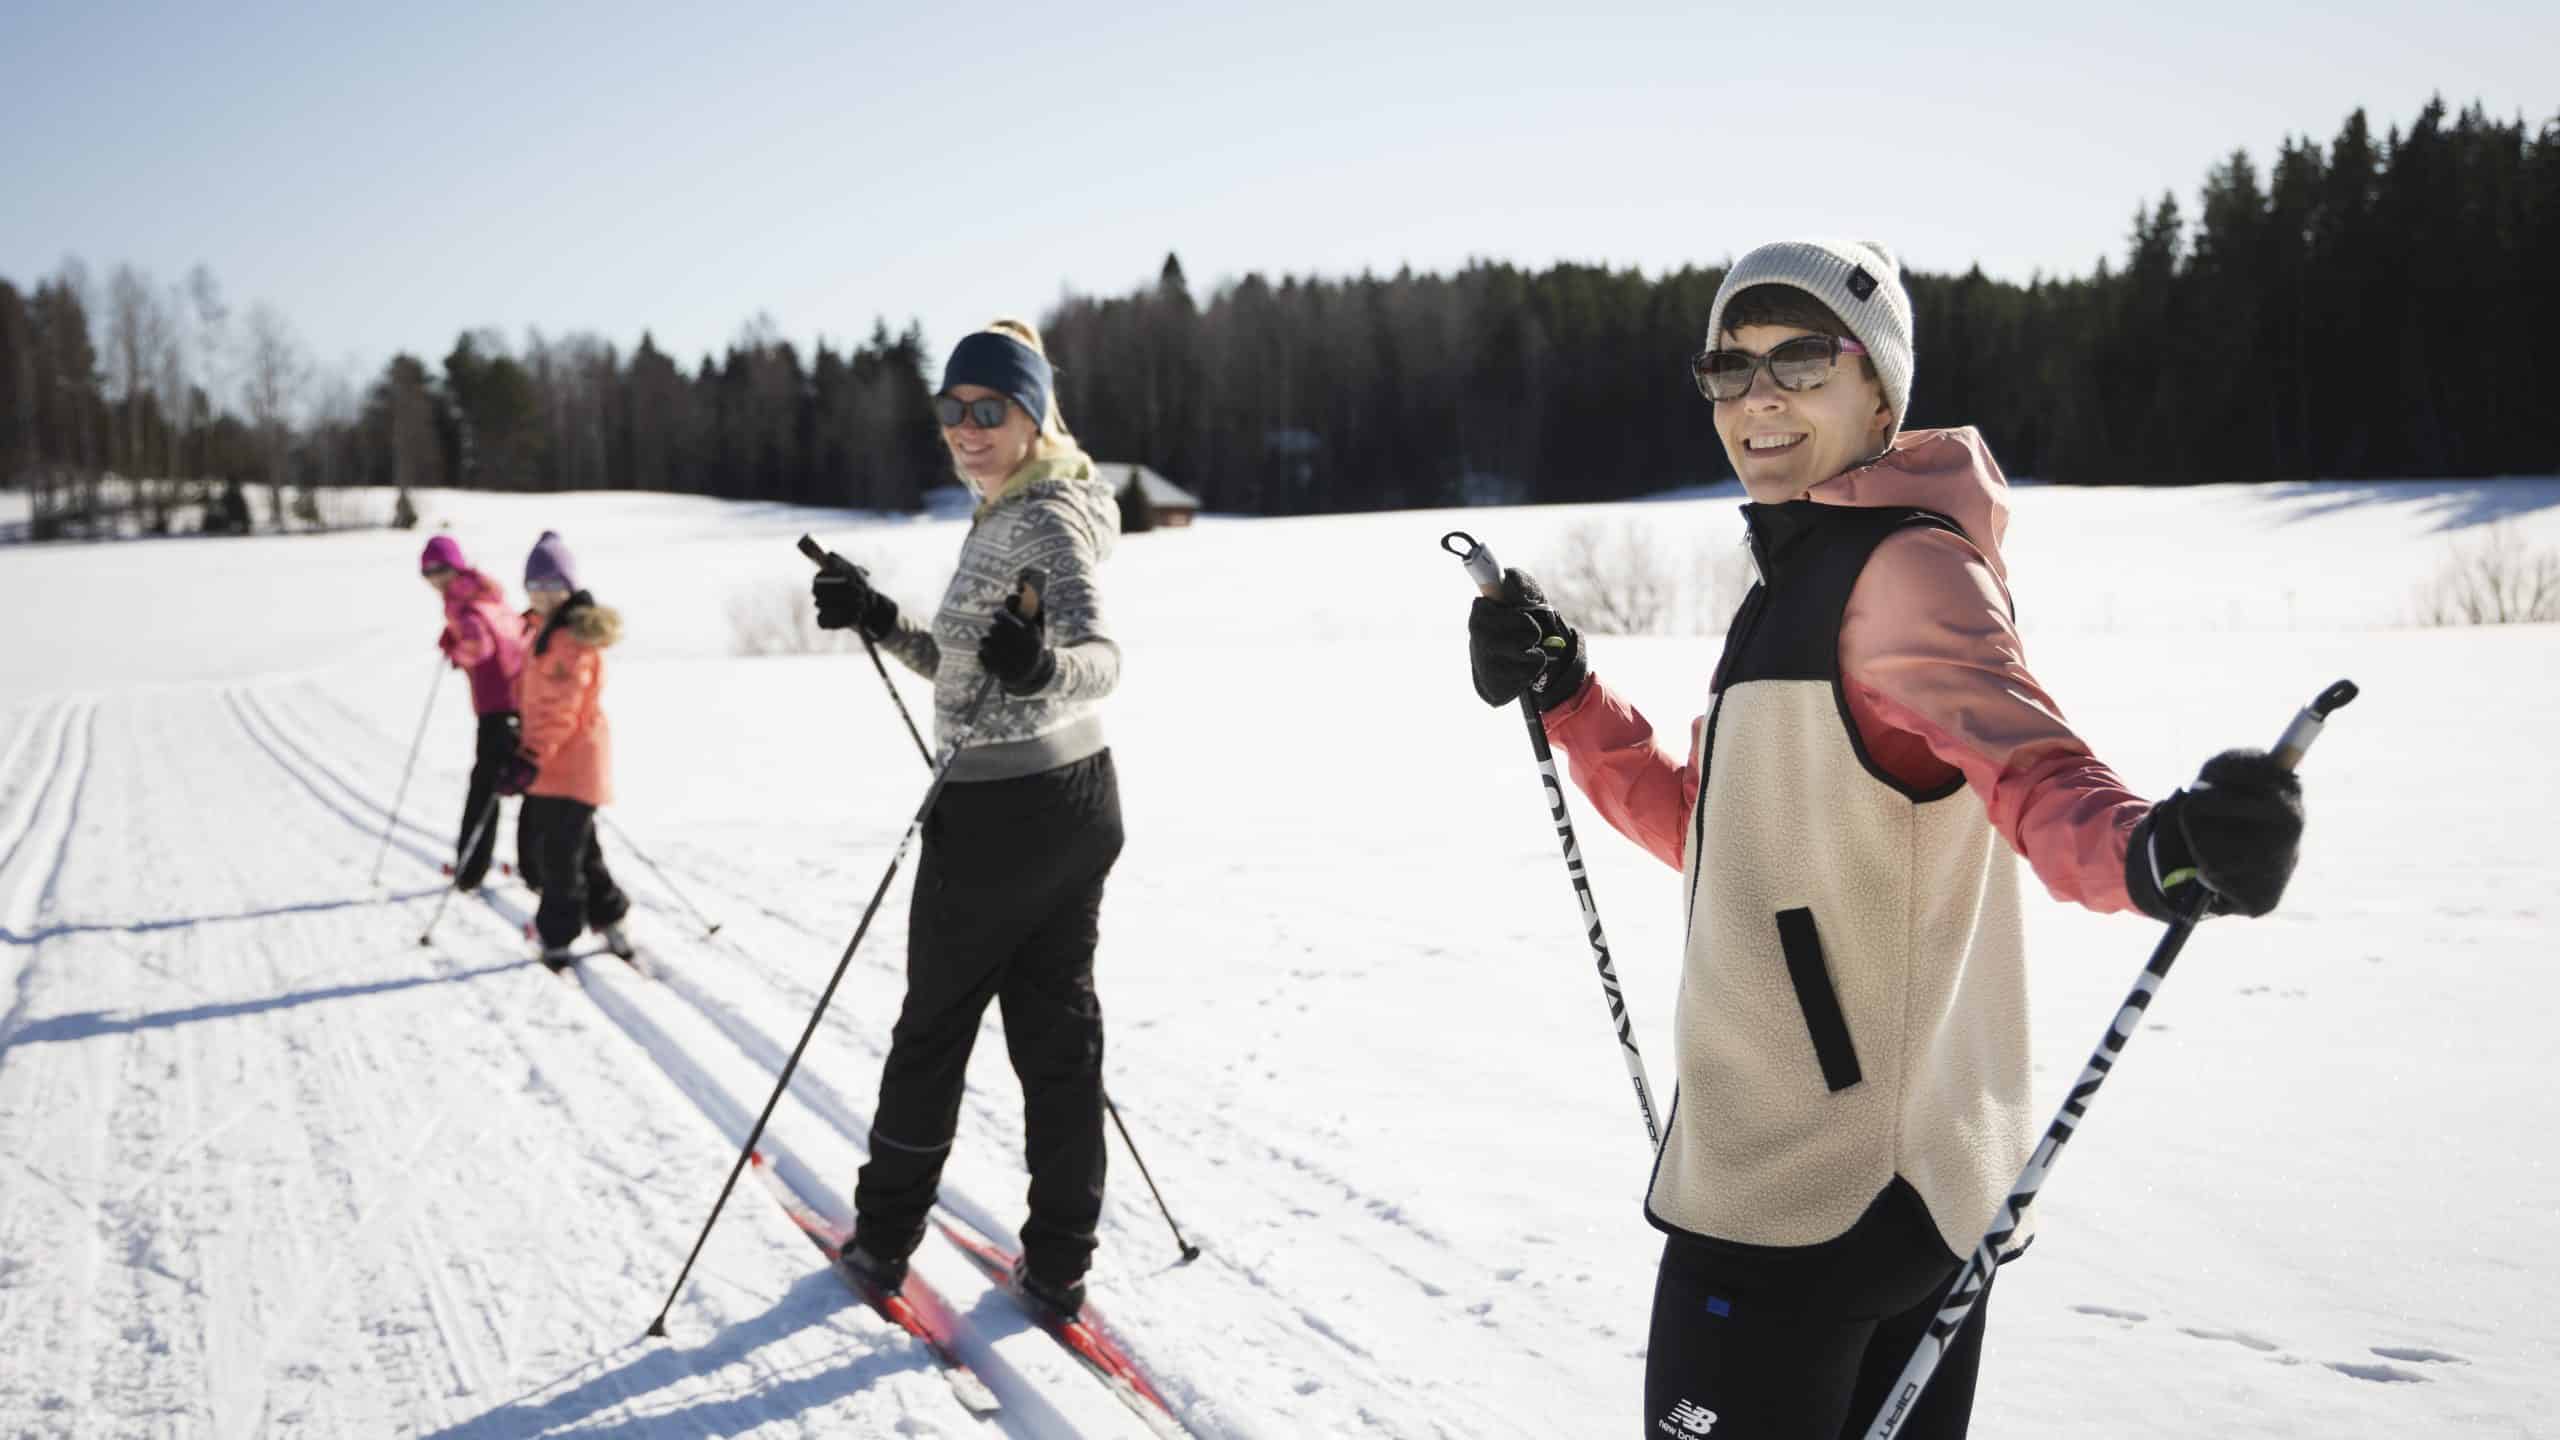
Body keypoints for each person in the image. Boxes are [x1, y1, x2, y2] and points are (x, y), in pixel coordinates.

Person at [1462, 239, 2308, 1439]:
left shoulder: (1902, 570)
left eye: (1801, 361)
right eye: (1729, 366)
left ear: (1880, 392)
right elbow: (1721, 835)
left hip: (1809, 1200)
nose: (1759, 397)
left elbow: (2036, 773)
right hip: (1888, 1193)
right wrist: (1569, 700)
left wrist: (2153, 851)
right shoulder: (1808, 569)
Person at [810, 319, 1124, 1321]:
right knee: (1055, 1034)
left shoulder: (1043, 520)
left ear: (1033, 417)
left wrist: (1046, 666)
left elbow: (1098, 656)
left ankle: (883, 1243)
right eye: (950, 409)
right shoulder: (1012, 509)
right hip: (1073, 804)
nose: (965, 427)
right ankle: (1060, 1262)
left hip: (1002, 816)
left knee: (933, 1033)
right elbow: (965, 669)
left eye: (989, 409)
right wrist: (877, 615)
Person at [497, 530, 633, 968]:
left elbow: (562, 708)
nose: (542, 595)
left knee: (558, 858)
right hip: (554, 761)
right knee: (580, 849)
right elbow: (534, 696)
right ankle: (611, 916)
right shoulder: (543, 632)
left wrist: (529, 755)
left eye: (551, 586)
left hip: (569, 763)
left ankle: (557, 937)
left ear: (568, 588)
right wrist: (519, 731)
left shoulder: (570, 639)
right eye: (534, 587)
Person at [420, 535, 526, 891]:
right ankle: (533, 862)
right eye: (428, 572)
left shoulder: (463, 604)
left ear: (456, 566)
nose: (436, 579)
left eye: (440, 569)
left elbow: (478, 646)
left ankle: (470, 868)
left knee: (485, 786)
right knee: (525, 780)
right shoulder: (486, 594)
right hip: (518, 699)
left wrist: (455, 645)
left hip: (498, 706)